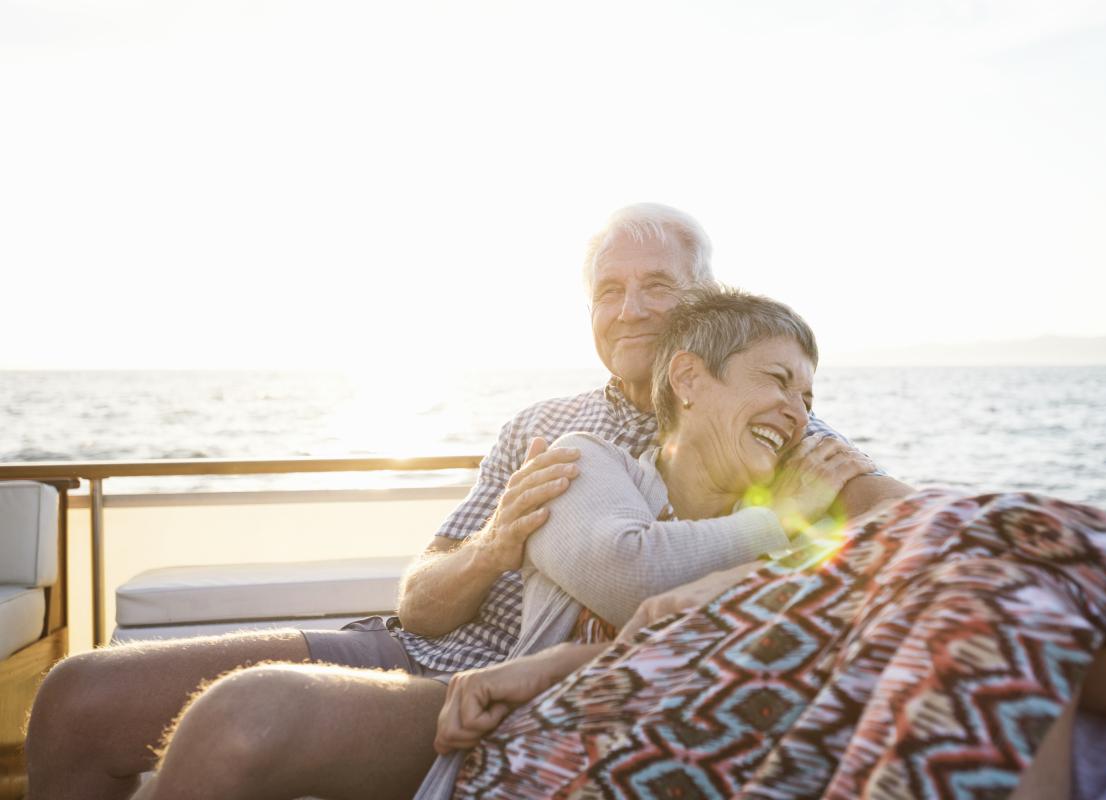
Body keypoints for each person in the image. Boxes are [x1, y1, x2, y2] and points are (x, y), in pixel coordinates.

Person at [25, 204, 907, 799]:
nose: (631, 309)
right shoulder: (542, 424)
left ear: (703, 306)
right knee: (78, 694)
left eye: (657, 287)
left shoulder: (767, 417)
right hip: (412, 649)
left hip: (521, 685)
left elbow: (894, 516)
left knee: (245, 722)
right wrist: (493, 547)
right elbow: (420, 603)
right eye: (609, 290)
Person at [420, 289, 1106, 800]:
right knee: (959, 558)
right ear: (688, 379)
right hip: (581, 736)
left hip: (754, 719)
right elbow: (632, 582)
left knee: (974, 583)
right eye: (777, 381)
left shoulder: (801, 504)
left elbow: (921, 535)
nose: (800, 412)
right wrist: (785, 522)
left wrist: (838, 501)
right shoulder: (589, 460)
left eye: (808, 395)